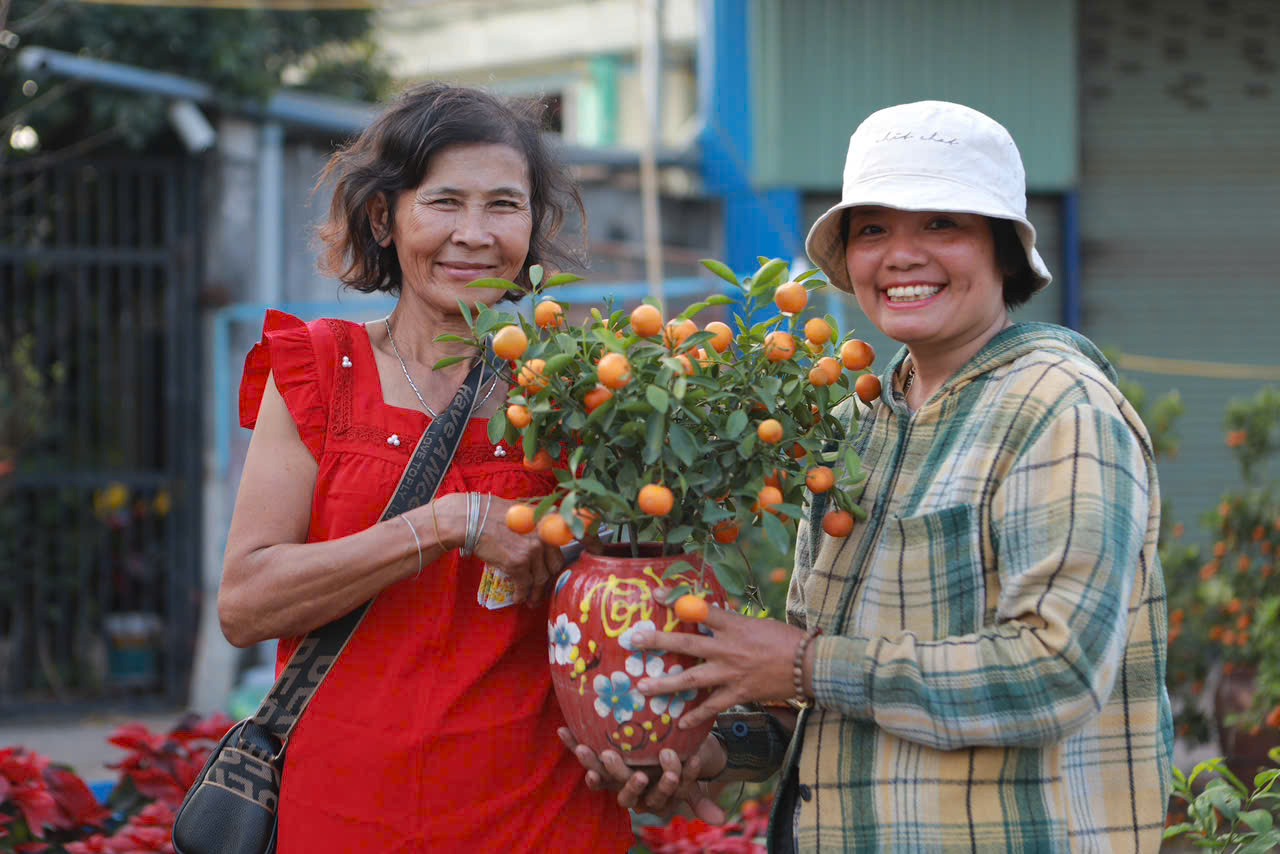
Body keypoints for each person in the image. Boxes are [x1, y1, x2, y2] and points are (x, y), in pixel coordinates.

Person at [562, 100, 1173, 853]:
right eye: (873, 229)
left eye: (941, 224)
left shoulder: (1058, 408)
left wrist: (803, 662)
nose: (902, 256)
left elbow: (1057, 673)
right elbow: (813, 696)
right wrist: (709, 754)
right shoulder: (859, 423)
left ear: (1003, 252)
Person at [218, 83, 633, 853]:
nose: (473, 235)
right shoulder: (319, 369)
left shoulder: (578, 391)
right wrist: (445, 523)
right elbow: (246, 603)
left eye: (503, 206)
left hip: (542, 815)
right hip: (346, 814)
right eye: (444, 202)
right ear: (386, 216)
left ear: (532, 226)